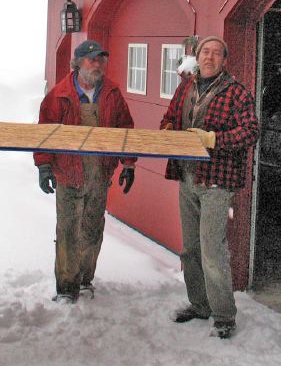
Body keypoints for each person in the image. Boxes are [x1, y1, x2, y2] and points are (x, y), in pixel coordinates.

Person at [160, 35, 259, 339]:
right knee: (190, 248)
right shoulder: (186, 87)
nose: (210, 57)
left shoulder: (237, 93)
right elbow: (170, 118)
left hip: (217, 181)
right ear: (197, 55)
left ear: (224, 60)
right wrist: (166, 131)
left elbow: (251, 131)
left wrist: (214, 139)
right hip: (188, 177)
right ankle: (199, 304)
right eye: (206, 52)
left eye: (217, 53)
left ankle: (224, 316)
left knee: (212, 251)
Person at [34, 40, 136, 303]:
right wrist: (44, 166)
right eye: (92, 59)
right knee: (68, 231)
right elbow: (45, 134)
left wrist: (128, 164)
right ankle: (66, 288)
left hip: (99, 174)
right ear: (77, 63)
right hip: (68, 174)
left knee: (92, 229)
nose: (98, 64)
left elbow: (125, 130)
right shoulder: (58, 95)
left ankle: (84, 279)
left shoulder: (112, 93)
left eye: (101, 59)